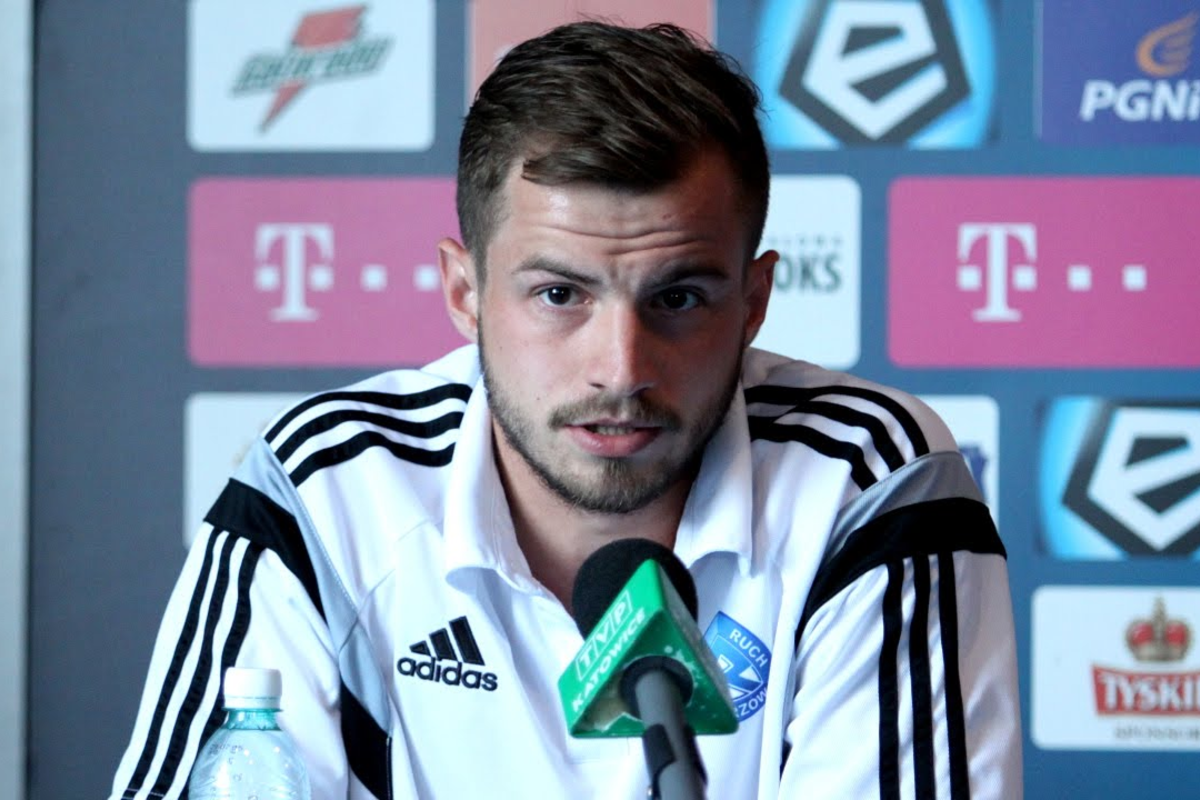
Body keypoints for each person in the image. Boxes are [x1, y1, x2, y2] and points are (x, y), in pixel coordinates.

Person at [110, 20, 1021, 799]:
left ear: (753, 303)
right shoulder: (328, 489)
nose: (619, 369)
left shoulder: (865, 478)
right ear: (465, 293)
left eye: (678, 298)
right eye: (559, 295)